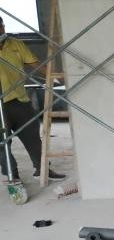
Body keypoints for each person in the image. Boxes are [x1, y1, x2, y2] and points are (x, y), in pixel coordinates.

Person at [0, 14, 65, 181]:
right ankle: (12, 176)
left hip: (20, 100)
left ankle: (42, 169)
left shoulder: (16, 44)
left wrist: (55, 75)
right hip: (0, 104)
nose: (1, 30)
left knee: (33, 137)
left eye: (1, 26)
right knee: (2, 143)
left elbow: (35, 65)